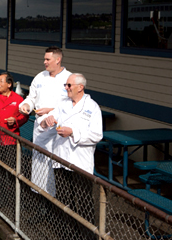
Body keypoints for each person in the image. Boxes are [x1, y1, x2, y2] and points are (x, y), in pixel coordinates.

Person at [41, 73, 102, 238]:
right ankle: (66, 234)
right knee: (62, 198)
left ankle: (87, 235)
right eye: (66, 85)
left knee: (83, 201)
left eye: (69, 85)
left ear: (80, 87)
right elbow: (44, 122)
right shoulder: (63, 104)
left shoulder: (92, 107)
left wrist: (73, 132)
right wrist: (47, 121)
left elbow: (97, 135)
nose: (66, 88)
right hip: (61, 159)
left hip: (80, 161)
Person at [19, 46, 71, 196]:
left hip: (58, 128)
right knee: (40, 163)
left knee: (57, 164)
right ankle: (40, 197)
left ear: (58, 59)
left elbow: (72, 104)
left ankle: (58, 199)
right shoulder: (39, 77)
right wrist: (26, 105)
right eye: (44, 59)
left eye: (47, 59)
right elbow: (31, 97)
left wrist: (49, 110)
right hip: (40, 128)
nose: (44, 62)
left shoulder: (69, 78)